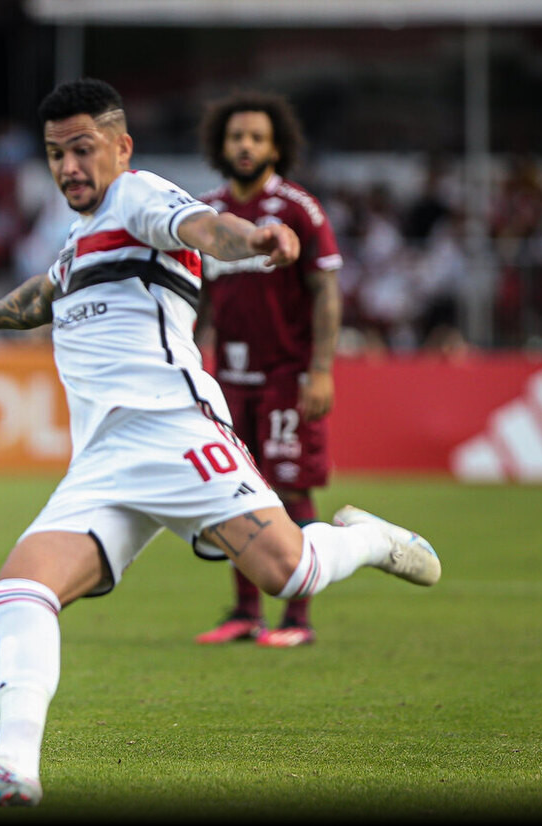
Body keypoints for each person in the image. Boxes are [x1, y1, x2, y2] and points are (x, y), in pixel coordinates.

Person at [0, 78, 440, 807]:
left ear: (120, 148)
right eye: (56, 153)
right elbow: (43, 291)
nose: (68, 167)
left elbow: (204, 228)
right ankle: (13, 763)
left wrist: (252, 241)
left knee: (291, 574)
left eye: (83, 149)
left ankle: (370, 539)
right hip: (102, 462)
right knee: (18, 592)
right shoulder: (79, 236)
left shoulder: (140, 197)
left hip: (176, 433)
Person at [192, 91, 344, 648]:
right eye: (237, 137)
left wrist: (321, 370)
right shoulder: (208, 217)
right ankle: (245, 611)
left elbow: (325, 289)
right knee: (235, 489)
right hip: (229, 380)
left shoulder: (299, 209)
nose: (246, 146)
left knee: (289, 487)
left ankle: (297, 619)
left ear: (277, 145)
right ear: (220, 144)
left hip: (288, 374)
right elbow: (197, 298)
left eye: (257, 137)